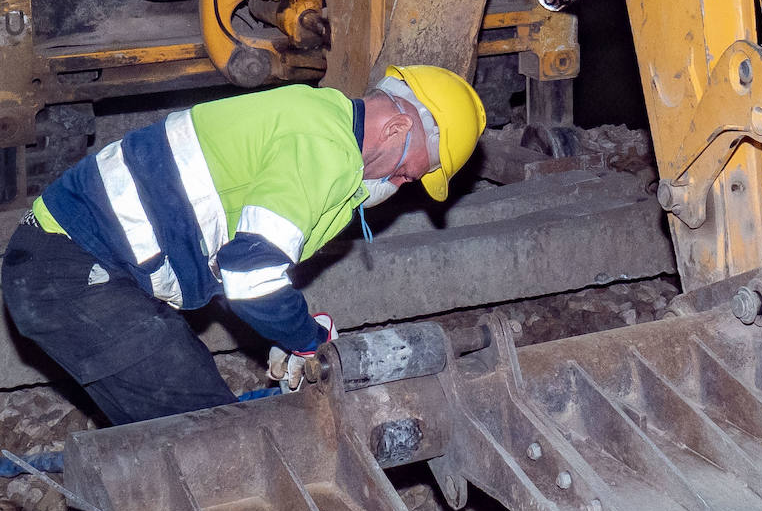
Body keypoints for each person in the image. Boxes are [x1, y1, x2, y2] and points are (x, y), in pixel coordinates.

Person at [2, 65, 485, 425]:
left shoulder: (315, 116)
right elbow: (250, 273)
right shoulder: (327, 147)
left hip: (66, 265)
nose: (401, 185)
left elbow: (230, 256)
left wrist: (284, 330)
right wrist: (305, 340)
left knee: (165, 436)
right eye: (408, 171)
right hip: (72, 271)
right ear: (398, 128)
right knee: (215, 438)